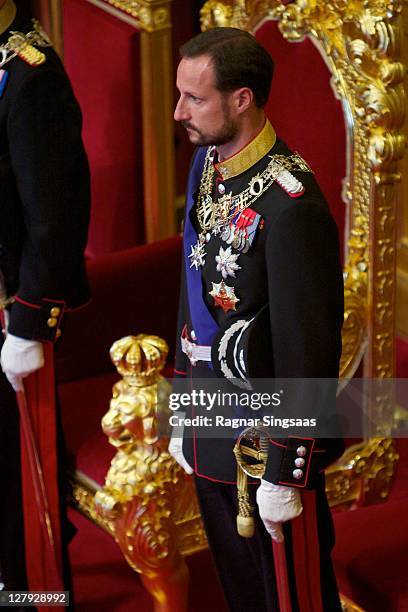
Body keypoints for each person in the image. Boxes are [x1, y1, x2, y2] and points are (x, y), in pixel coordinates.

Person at [170, 27, 345, 611]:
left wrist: (286, 472)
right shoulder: (207, 167)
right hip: (209, 433)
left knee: (291, 600)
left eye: (194, 98)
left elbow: (308, 350)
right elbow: (193, 293)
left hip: (261, 452)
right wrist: (183, 409)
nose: (178, 112)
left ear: (241, 99)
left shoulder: (292, 207)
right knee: (240, 595)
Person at [0, 0, 90, 596]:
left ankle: (35, 600)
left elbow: (54, 217)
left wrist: (29, 324)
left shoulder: (33, 76)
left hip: (12, 310)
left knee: (20, 491)